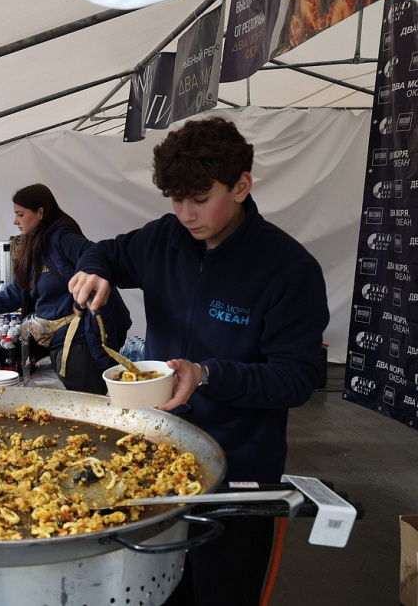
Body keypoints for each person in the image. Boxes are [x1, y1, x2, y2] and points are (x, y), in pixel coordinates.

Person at [68, 116, 330, 605]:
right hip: (157, 456)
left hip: (238, 470)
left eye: (200, 199)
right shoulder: (164, 239)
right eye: (175, 199)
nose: (186, 214)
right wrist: (93, 272)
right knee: (153, 590)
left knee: (222, 591)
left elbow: (297, 378)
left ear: (241, 185)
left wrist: (206, 374)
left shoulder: (288, 269)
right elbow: (106, 252)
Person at [0, 184, 130, 394]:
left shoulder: (62, 237)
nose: (15, 221)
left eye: (20, 214)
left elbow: (96, 255)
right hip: (58, 347)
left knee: (88, 408)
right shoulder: (35, 245)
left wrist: (80, 299)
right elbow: (14, 295)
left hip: (80, 347)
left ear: (40, 212)